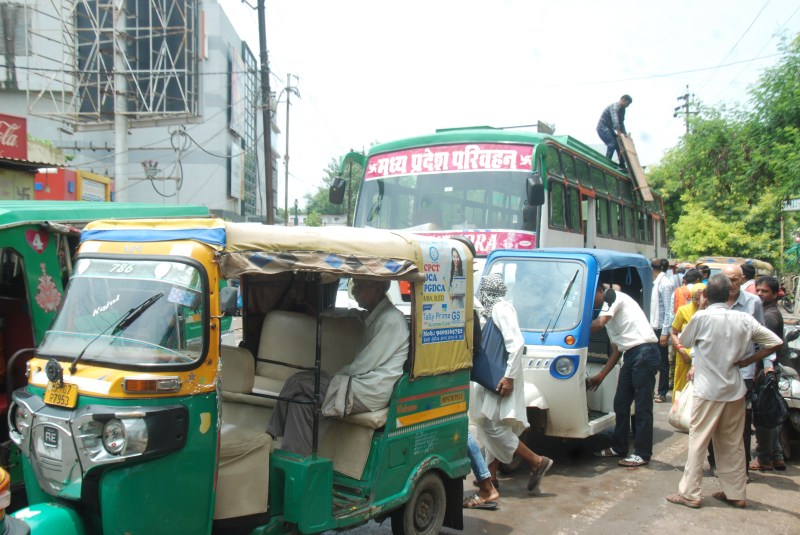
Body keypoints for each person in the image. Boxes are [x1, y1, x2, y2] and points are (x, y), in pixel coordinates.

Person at [665, 274, 781, 509]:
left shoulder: (702, 317)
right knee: (733, 443)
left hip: (707, 390)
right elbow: (775, 342)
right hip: (734, 389)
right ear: (729, 292)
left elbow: (684, 340)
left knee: (698, 441)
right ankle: (736, 493)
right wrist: (749, 360)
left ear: (706, 296)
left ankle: (690, 494)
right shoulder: (743, 319)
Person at [267, 278, 409, 455]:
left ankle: (270, 434)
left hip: (368, 391)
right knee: (301, 402)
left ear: (379, 288)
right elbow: (352, 314)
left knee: (297, 382)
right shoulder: (376, 315)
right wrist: (322, 312)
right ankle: (297, 458)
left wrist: (334, 377)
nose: (355, 291)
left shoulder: (390, 320)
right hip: (359, 384)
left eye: (361, 286)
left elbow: (364, 365)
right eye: (354, 285)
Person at [470, 274, 553, 492]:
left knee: (491, 425)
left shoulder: (500, 309)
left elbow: (516, 344)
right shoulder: (496, 310)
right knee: (494, 424)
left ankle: (536, 461)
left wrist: (508, 377)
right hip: (498, 376)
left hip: (501, 377)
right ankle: (491, 475)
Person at [588, 284, 661, 467]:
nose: (591, 301)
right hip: (631, 355)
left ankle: (643, 454)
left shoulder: (614, 298)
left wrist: (575, 330)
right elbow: (616, 351)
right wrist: (601, 375)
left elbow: (600, 323)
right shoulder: (605, 310)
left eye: (592, 295)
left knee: (643, 406)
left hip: (644, 351)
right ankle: (619, 447)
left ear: (600, 291)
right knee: (621, 403)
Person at [750, 275, 786, 471]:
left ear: (775, 294)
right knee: (770, 413)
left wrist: (757, 368)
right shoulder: (766, 311)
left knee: (763, 417)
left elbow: (767, 346)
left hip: (765, 370)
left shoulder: (770, 316)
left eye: (765, 291)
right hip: (767, 370)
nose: (760, 294)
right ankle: (776, 455)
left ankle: (764, 458)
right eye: (759, 290)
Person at [669, 283, 706, 398]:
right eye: (694, 299)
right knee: (682, 387)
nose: (697, 302)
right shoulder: (683, 310)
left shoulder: (710, 313)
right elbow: (673, 333)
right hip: (684, 355)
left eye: (700, 298)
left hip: (703, 357)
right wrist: (681, 349)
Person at [651, 258, 675, 403]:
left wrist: (665, 332)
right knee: (654, 360)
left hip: (661, 328)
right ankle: (655, 390)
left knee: (663, 362)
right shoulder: (658, 283)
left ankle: (662, 392)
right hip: (655, 326)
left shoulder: (665, 284)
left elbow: (668, 310)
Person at [596, 94, 632, 168]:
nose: (627, 106)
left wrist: (625, 134)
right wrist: (619, 133)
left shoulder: (622, 110)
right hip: (602, 128)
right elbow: (615, 122)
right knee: (612, 143)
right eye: (627, 104)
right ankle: (606, 162)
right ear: (623, 100)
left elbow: (621, 123)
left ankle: (622, 165)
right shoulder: (614, 107)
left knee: (619, 145)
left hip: (609, 129)